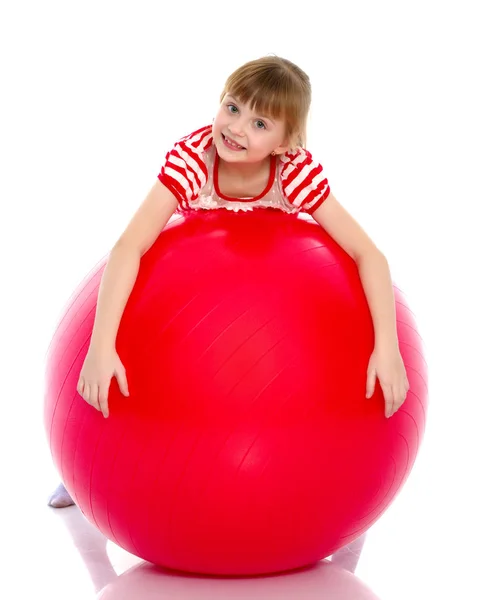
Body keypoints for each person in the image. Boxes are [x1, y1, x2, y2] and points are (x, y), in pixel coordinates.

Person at [48, 55, 409, 527]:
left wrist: (388, 348)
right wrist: (99, 347)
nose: (237, 128)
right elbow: (129, 246)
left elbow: (370, 256)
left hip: (272, 293)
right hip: (186, 287)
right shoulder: (193, 158)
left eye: (260, 123)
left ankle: (344, 493)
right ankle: (84, 466)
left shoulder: (295, 173)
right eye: (233, 107)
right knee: (111, 349)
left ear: (287, 143)